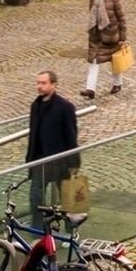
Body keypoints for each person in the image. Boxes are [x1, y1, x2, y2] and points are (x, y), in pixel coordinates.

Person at [26, 69, 79, 207]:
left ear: (53, 84)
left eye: (43, 83)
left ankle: (70, 228)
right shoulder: (35, 106)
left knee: (67, 200)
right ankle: (38, 227)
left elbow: (71, 136)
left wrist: (74, 163)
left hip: (60, 162)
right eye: (38, 83)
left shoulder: (65, 107)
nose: (39, 86)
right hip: (39, 161)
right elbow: (33, 136)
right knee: (36, 199)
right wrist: (30, 160)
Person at [83, 0, 127, 99]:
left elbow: (121, 18)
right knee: (94, 61)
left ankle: (117, 83)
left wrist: (122, 37)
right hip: (96, 37)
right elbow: (92, 16)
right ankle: (90, 89)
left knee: (115, 61)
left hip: (111, 36)